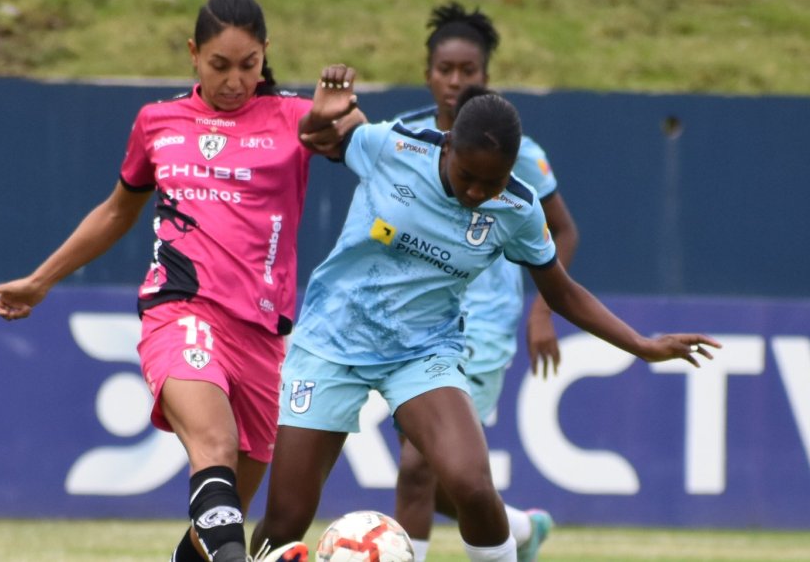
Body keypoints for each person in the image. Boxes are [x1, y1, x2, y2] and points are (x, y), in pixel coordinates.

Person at [250, 77, 720, 562]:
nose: (476, 192)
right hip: (332, 340)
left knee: (471, 485)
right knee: (286, 518)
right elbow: (316, 136)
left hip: (421, 352)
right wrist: (321, 115)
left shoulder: (517, 208)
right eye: (467, 175)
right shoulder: (392, 147)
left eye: (490, 182)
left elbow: (562, 293)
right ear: (449, 144)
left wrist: (641, 344)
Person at [0, 0, 362, 562]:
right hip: (180, 311)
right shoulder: (157, 123)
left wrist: (344, 123)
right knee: (213, 444)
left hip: (265, 337)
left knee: (219, 522)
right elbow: (116, 212)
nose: (236, 81)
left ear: (266, 56)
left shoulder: (295, 119)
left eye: (249, 64)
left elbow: (362, 155)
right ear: (193, 55)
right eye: (219, 65)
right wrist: (41, 281)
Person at [392, 2, 577, 561]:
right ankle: (518, 529)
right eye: (445, 69)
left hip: (483, 326)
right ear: (427, 72)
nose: (455, 81)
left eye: (467, 70)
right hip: (414, 325)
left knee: (417, 466)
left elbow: (562, 231)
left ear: (485, 76)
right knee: (441, 477)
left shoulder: (516, 153)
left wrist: (542, 311)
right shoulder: (407, 139)